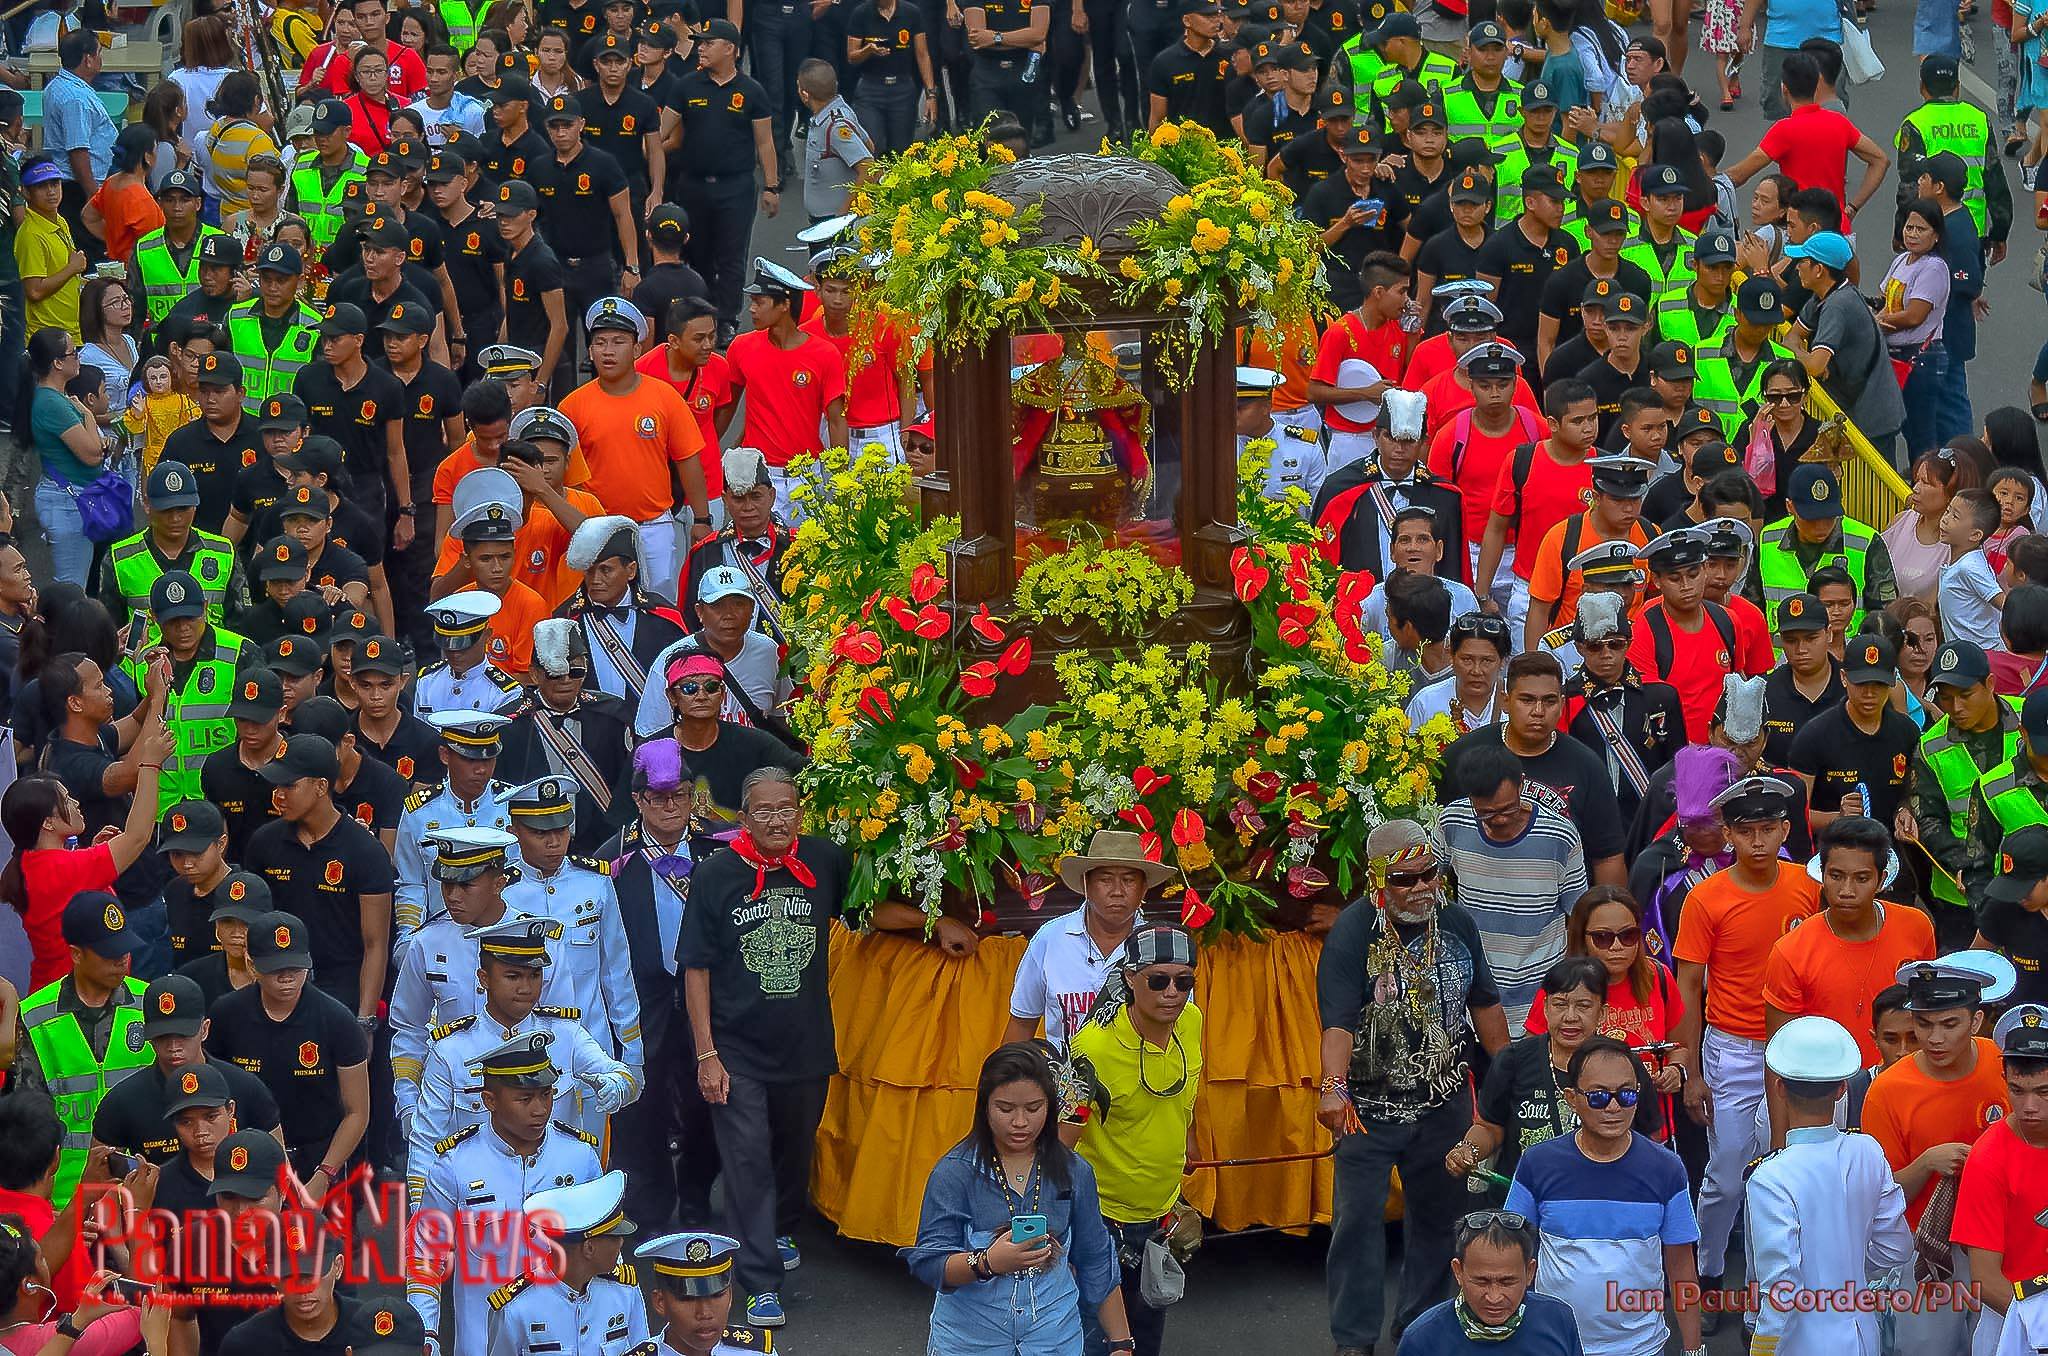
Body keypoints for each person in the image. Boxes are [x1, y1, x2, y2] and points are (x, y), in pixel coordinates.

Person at [1317, 819, 1510, 1356]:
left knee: (1438, 1223)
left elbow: (1486, 1007)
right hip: (1368, 1109)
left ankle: (1418, 1333)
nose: (1423, 887)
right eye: (1406, 879)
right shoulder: (1354, 931)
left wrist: (1513, 1075)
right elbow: (1337, 1022)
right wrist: (1332, 1087)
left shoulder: (1458, 923)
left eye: (1432, 875)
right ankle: (1354, 1341)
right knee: (1356, 1224)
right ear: (1377, 883)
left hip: (1442, 1105)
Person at [680, 767, 849, 1329]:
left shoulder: (826, 861)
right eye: (764, 811)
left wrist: (938, 921)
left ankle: (778, 1229)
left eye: (787, 809)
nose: (777, 820)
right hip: (736, 1049)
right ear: (743, 818)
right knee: (747, 1161)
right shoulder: (717, 874)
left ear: (800, 812)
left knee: (794, 1154)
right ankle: (758, 1279)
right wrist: (707, 1054)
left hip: (805, 1045)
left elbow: (868, 911)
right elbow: (696, 968)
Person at [1671, 773, 1819, 1299]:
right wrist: (1689, 1070)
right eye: (1745, 830)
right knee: (1728, 1175)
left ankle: (1767, 1290)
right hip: (1733, 1046)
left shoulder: (1810, 886)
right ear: (1727, 834)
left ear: (1785, 830)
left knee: (1785, 1172)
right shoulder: (1706, 898)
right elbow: (1687, 985)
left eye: (1768, 828)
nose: (1757, 841)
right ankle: (1708, 1275)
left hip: (1798, 1046)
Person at [905, 1042, 1133, 1355]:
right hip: (971, 1342)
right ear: (984, 1107)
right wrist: (986, 1262)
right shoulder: (954, 1173)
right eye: (1006, 1109)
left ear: (1050, 1107)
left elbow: (1095, 1259)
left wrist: (1121, 1344)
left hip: (1054, 1339)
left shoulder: (1074, 1171)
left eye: (1033, 1108)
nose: (1020, 1122)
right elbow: (930, 1262)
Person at [1504, 1037, 1702, 1356]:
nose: (1613, 1107)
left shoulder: (1667, 1169)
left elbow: (1681, 1266)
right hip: (1552, 1344)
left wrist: (1694, 1351)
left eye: (1625, 1094)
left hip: (1641, 1347)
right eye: (1598, 1097)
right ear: (1572, 1098)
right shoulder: (1537, 1164)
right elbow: (1511, 1255)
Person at [409, 1029, 603, 1356]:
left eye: (546, 1095)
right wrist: (425, 1331)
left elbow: (603, 1250)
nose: (540, 1109)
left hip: (566, 1340)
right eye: (524, 1099)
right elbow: (425, 1256)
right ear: (489, 1101)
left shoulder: (580, 1157)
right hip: (483, 1341)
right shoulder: (455, 1164)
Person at [1058, 924, 1201, 1356]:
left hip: (1159, 1217)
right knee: (1100, 1343)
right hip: (1102, 1222)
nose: (1172, 992)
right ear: (1129, 979)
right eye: (1158, 980)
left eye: (1184, 981)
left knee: (1147, 1336)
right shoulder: (1094, 1049)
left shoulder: (1191, 1022)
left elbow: (1187, 1092)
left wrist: (1188, 1142)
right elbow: (1064, 1141)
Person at [1862, 957, 2014, 1355]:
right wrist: (1926, 1163)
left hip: (2001, 1243)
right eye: (1925, 1024)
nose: (1934, 1039)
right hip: (1927, 1252)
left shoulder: (2003, 1066)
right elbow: (1880, 1196)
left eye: (1950, 1025)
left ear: (1977, 1021)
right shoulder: (1887, 1091)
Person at [1743, 1015, 1913, 1354]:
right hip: (1863, 1333)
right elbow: (1897, 1247)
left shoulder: (1770, 1176)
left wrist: (1761, 1349)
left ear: (1778, 1087)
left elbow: (1782, 1288)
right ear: (1841, 1089)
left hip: (1802, 1343)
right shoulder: (1866, 1149)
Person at [1763, 814, 1935, 1109]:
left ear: (1882, 879)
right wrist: (1783, 1142)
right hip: (1827, 1099)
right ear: (1822, 875)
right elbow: (1780, 1056)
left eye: (1861, 878)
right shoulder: (1790, 951)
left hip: (1907, 1085)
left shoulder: (1917, 927)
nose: (1846, 890)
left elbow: (1928, 1016)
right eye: (1836, 876)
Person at [204, 910, 371, 1188]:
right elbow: (214, 1092)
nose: (286, 978)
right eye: (275, 968)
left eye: (295, 968)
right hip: (248, 1158)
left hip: (320, 1157)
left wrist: (324, 1176)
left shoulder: (337, 1020)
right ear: (251, 964)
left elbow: (357, 1113)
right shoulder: (227, 1015)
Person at [560, 296, 712, 595]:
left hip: (653, 527)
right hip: (597, 528)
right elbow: (565, 476)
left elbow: (688, 459)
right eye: (600, 343)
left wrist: (702, 518)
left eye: (618, 342)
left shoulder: (664, 397)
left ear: (637, 349)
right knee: (602, 605)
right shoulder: (572, 407)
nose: (608, 351)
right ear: (590, 351)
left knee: (661, 601)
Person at [1437, 743, 1590, 1028]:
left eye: (1508, 809)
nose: (1499, 820)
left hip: (1539, 997)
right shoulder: (1452, 822)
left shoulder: (1559, 835)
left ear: (1521, 784)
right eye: (1485, 814)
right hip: (1474, 997)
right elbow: (1431, 880)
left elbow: (1579, 916)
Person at [244, 731, 396, 1016]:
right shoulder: (264, 843)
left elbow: (375, 945)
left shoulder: (365, 851)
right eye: (276, 786)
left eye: (288, 785)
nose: (278, 795)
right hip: (279, 985)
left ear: (320, 786)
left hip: (343, 991)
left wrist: (364, 1020)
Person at [87, 973, 280, 1165]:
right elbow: (97, 1181)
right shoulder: (122, 1102)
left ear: (204, 1029)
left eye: (183, 1034)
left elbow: (281, 1170)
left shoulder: (247, 1089)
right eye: (162, 1036)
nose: (173, 1046)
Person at [1005, 829, 1166, 1051]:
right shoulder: (1050, 939)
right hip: (1064, 1080)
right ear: (1086, 885)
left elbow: (1181, 1029)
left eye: (1129, 880)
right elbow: (1022, 1023)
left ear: (1143, 889)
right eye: (1105, 880)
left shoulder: (1162, 945)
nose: (1117, 891)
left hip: (1141, 1082)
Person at [667, 21, 776, 340]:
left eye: (707, 43)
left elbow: (765, 142)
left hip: (735, 186)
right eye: (699, 43)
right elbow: (661, 130)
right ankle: (701, 314)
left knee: (731, 254)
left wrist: (771, 186)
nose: (700, 48)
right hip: (693, 184)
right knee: (697, 251)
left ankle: (727, 317)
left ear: (729, 48)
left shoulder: (752, 91)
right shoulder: (686, 86)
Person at [1910, 638, 2024, 938]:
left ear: (1990, 683)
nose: (1955, 708)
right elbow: (1928, 818)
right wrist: (1970, 868)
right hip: (1960, 899)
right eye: (1946, 698)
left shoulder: (2030, 721)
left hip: (2033, 886)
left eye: (1965, 695)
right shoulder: (1931, 746)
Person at [1953, 1001, 2048, 1354]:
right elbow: (1986, 1279)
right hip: (2012, 1325)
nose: (2029, 1107)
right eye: (2018, 1091)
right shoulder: (1988, 1158)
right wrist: (2039, 1329)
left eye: (2044, 1092)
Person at [725, 259, 849, 513]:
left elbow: (836, 421)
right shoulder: (741, 347)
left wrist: (840, 481)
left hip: (806, 476)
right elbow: (729, 405)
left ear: (784, 305)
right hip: (757, 475)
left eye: (760, 302)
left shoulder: (825, 354)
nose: (752, 309)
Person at [486, 1171, 650, 1356]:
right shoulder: (516, 1309)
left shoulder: (624, 1292)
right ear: (589, 1248)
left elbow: (642, 1349)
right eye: (614, 1237)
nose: (621, 1242)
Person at [1787, 230, 1908, 457]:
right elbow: (1792, 336)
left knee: (1876, 489)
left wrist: (1797, 353)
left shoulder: (1838, 306)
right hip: (1858, 410)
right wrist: (1801, 352)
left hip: (1872, 419)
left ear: (1819, 269)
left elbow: (1815, 365)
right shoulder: (1823, 296)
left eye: (1802, 261)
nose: (1797, 267)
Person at [1395, 1213, 1584, 1355]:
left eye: (1507, 1282)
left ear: (1530, 1272)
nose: (1494, 1297)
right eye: (1481, 1281)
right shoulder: (1421, 1340)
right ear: (1458, 1272)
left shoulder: (1559, 1320)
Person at [636, 1231, 781, 1356]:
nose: (704, 1313)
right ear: (660, 1302)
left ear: (730, 1295)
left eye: (717, 1295)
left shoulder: (756, 1352)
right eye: (688, 1299)